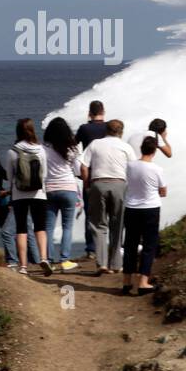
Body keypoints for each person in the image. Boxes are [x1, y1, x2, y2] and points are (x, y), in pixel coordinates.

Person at [80, 119, 136, 275]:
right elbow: (133, 168)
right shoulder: (126, 147)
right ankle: (116, 264)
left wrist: (87, 185)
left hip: (98, 184)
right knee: (117, 225)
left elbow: (83, 165)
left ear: (106, 130)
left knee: (98, 224)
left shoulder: (95, 144)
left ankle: (101, 264)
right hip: (119, 184)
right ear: (121, 132)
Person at [4, 119, 54, 276]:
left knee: (21, 229)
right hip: (39, 194)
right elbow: (44, 174)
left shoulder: (12, 151)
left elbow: (9, 176)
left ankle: (23, 266)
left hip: (19, 194)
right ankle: (44, 258)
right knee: (40, 227)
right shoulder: (41, 150)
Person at [121, 136, 166, 296]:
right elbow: (163, 191)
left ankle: (127, 282)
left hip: (131, 207)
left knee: (130, 244)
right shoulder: (157, 169)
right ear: (154, 151)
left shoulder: (130, 166)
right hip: (151, 208)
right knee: (149, 245)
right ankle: (143, 282)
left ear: (141, 149)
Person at [42, 117, 81, 271]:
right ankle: (65, 260)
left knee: (48, 227)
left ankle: (49, 260)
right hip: (69, 189)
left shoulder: (43, 149)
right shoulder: (72, 148)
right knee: (67, 227)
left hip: (49, 189)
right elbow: (77, 170)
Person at [75, 101, 109, 262]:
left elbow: (73, 145)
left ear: (90, 113)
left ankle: (91, 249)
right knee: (107, 213)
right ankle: (107, 247)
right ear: (103, 111)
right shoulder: (109, 128)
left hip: (89, 175)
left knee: (90, 214)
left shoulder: (84, 129)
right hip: (108, 174)